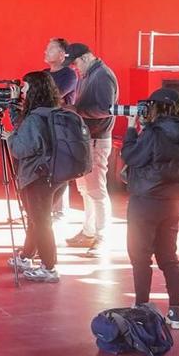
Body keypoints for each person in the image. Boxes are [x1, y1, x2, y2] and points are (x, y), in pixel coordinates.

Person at [120, 89, 179, 326]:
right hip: (173, 202)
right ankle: (175, 312)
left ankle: (142, 305)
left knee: (140, 256)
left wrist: (131, 129)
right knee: (168, 256)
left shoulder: (154, 132)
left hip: (145, 201)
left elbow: (131, 156)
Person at [5, 70, 88, 282]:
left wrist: (9, 137)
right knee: (36, 219)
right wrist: (15, 108)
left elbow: (20, 148)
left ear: (33, 90)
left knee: (41, 221)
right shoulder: (52, 112)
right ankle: (26, 256)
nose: (22, 90)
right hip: (57, 175)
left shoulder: (35, 119)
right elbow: (26, 129)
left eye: (24, 87)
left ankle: (49, 267)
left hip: (37, 177)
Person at [66, 42, 118, 254]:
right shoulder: (90, 74)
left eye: (76, 62)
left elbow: (106, 109)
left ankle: (102, 235)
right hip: (87, 137)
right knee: (86, 189)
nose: (74, 67)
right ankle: (89, 232)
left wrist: (77, 111)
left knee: (96, 190)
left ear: (86, 57)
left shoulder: (102, 76)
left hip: (96, 138)